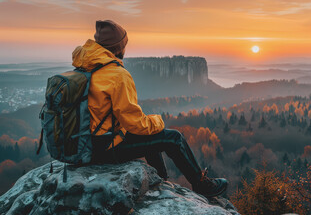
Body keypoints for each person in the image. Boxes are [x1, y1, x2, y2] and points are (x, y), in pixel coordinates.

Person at [71, 20, 228, 198]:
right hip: (104, 149)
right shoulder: (116, 74)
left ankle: (160, 180)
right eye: (124, 44)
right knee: (173, 138)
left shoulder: (86, 65)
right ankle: (201, 185)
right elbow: (136, 125)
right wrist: (158, 121)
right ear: (118, 47)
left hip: (84, 144)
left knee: (150, 135)